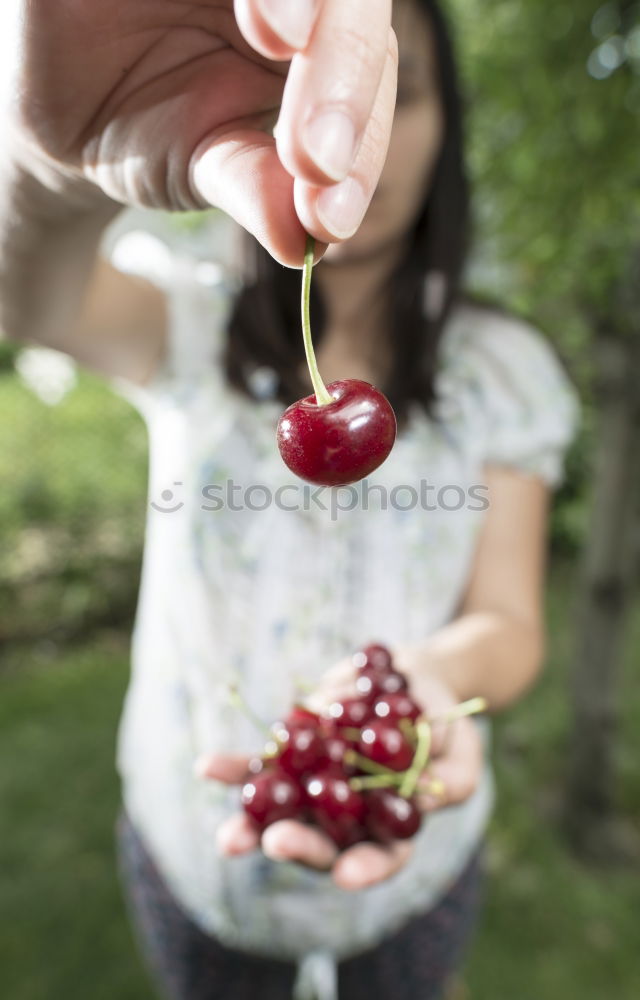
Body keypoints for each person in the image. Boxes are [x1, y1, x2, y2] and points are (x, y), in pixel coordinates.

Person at [0, 1, 580, 998]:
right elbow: (26, 300)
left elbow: (509, 620)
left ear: (447, 133)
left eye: (403, 96)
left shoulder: (502, 373)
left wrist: (418, 682)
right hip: (196, 857)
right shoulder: (186, 326)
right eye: (327, 100)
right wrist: (45, 171)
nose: (359, 134)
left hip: (407, 864)